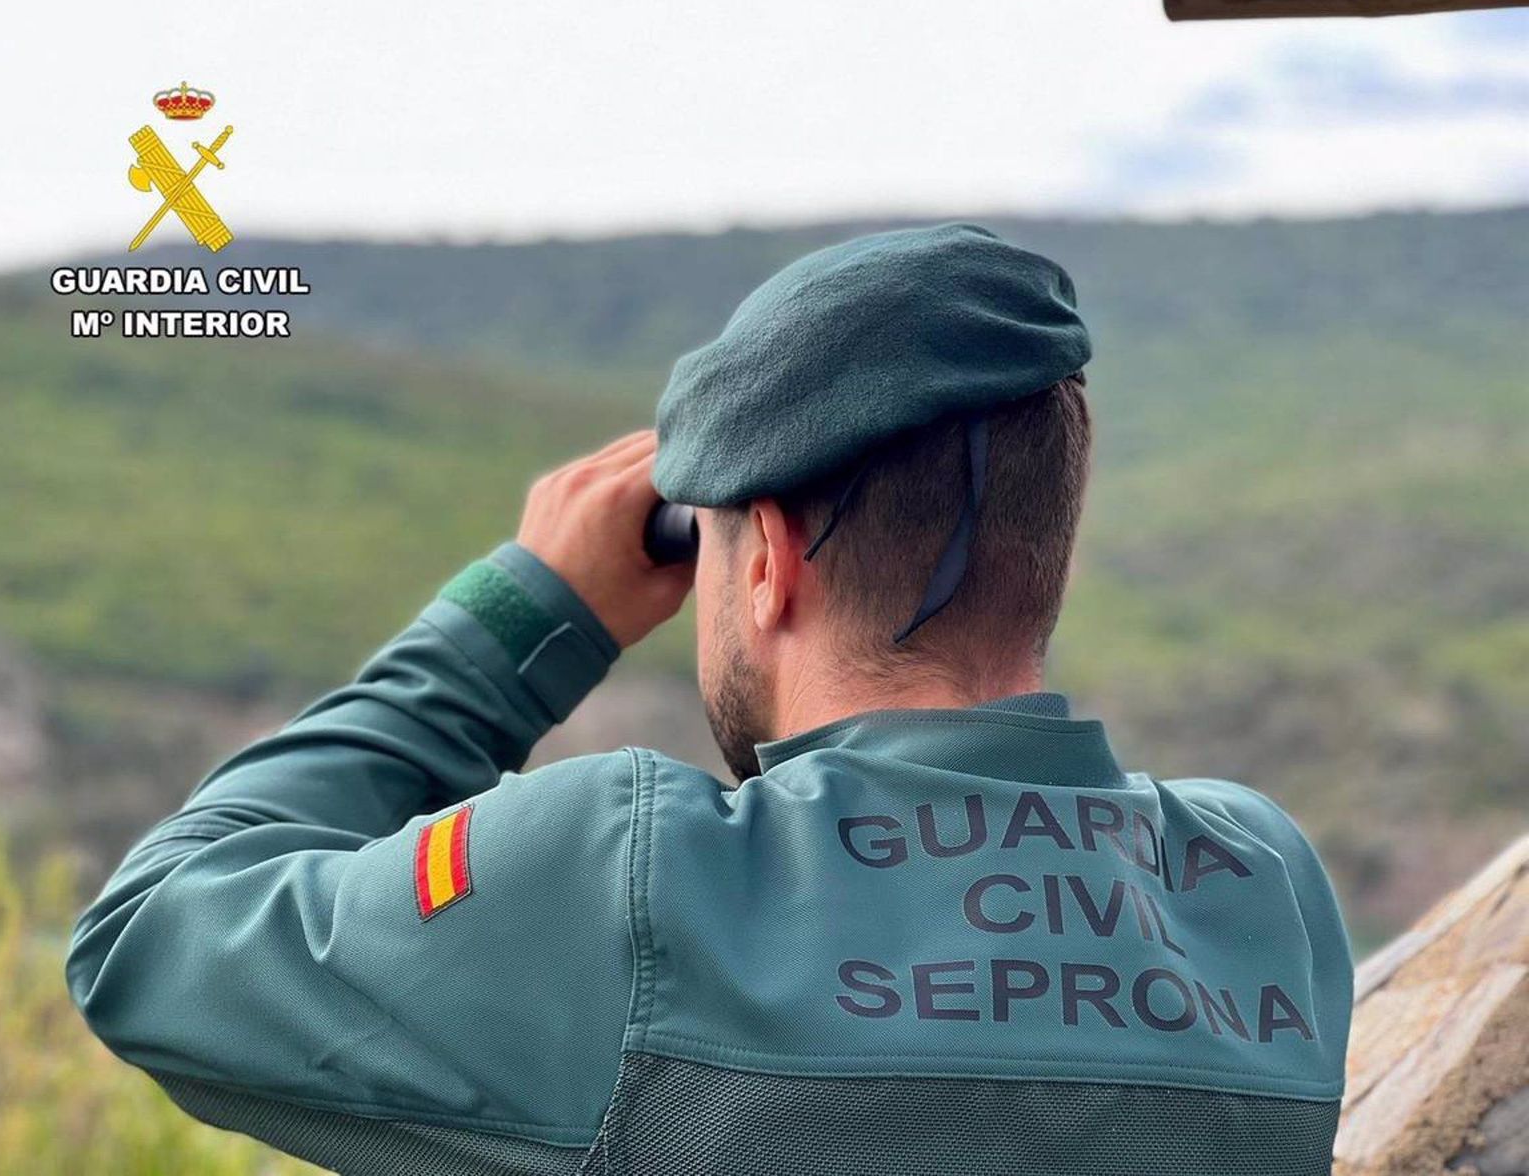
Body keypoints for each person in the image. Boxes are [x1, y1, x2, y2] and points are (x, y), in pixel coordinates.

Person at [68, 225, 1353, 1175]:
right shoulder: (1264, 887)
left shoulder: (625, 884)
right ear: (1048, 542)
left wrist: (518, 616)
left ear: (773, 562)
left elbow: (149, 934)